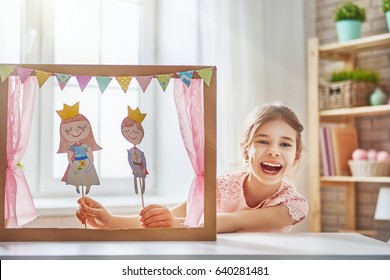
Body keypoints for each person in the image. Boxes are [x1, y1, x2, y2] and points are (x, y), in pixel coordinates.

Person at [76, 103, 308, 232]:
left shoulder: (293, 206)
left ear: (296, 156)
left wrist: (174, 226)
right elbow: (176, 215)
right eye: (263, 141)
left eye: (285, 144)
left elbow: (234, 221)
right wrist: (111, 221)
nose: (274, 151)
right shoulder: (219, 186)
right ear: (246, 149)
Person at [57, 102, 102, 195]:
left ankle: (88, 186)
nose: (75, 131)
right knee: (77, 176)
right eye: (68, 130)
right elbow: (69, 158)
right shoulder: (72, 147)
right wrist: (73, 166)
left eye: (80, 127)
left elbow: (91, 156)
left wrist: (90, 165)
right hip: (76, 162)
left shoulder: (85, 146)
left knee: (87, 176)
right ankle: (77, 186)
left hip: (86, 162)